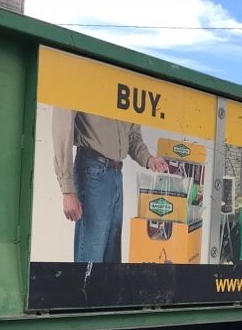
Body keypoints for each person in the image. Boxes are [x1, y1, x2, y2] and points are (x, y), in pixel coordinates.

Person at [52, 109, 168, 262]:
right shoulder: (85, 85)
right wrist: (67, 189)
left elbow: (132, 137)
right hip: (92, 171)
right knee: (90, 262)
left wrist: (149, 159)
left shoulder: (123, 90)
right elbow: (62, 128)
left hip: (116, 174)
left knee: (111, 261)